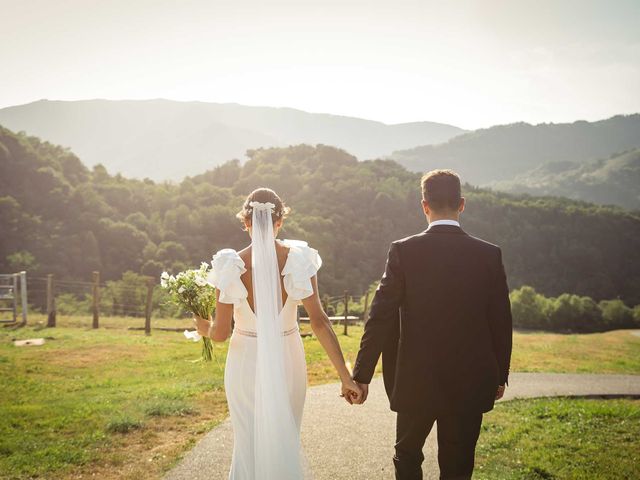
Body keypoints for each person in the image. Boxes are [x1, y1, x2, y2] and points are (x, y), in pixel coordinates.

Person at [352, 169, 513, 480]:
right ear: (462, 204)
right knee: (459, 463)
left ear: (424, 205)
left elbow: (380, 316)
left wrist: (362, 375)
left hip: (415, 379)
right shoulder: (489, 255)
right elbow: (501, 321)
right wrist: (499, 375)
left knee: (407, 455)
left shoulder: (403, 250)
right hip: (470, 379)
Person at [193, 187, 361, 480]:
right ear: (280, 221)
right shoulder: (299, 260)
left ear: (245, 222)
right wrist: (345, 377)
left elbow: (220, 333)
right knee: (286, 436)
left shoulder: (229, 265)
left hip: (244, 361)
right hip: (288, 359)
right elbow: (319, 321)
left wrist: (201, 325)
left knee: (247, 443)